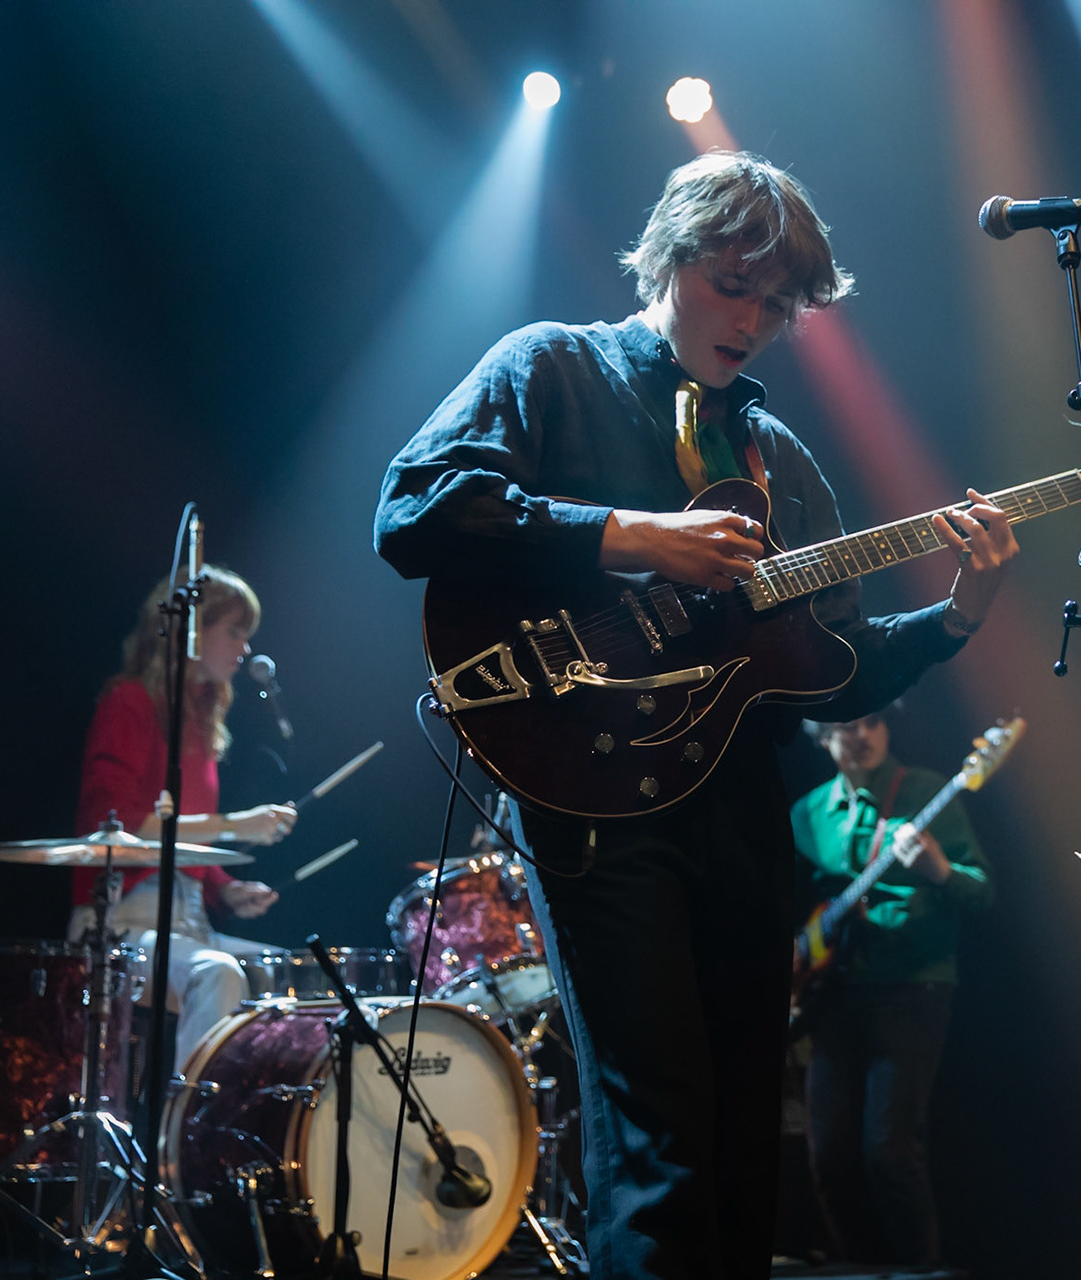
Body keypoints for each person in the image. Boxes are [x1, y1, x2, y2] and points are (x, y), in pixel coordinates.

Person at [374, 151, 1016, 1278]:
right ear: (667, 256)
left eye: (777, 302)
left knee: (737, 1151)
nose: (755, 319)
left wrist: (957, 617)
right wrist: (626, 534)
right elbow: (415, 508)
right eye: (734, 284)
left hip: (737, 809)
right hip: (593, 801)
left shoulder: (783, 462)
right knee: (660, 1135)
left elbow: (838, 673)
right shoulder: (552, 368)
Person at [71, 566, 297, 1068]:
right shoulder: (129, 702)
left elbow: (185, 846)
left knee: (288, 974)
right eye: (233, 632)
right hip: (120, 920)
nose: (244, 649)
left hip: (189, 920)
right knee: (217, 972)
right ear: (191, 629)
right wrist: (237, 825)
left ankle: (261, 1127)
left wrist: (224, 888)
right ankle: (187, 1134)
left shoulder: (201, 726)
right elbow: (120, 823)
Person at [789, 711, 992, 1263]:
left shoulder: (926, 791)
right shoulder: (806, 814)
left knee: (890, 1151)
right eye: (847, 725)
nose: (862, 734)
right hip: (832, 996)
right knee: (828, 1154)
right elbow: (790, 905)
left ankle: (919, 1272)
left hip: (913, 985)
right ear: (824, 737)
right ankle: (857, 1269)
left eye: (873, 721)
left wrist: (938, 869)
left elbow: (981, 892)